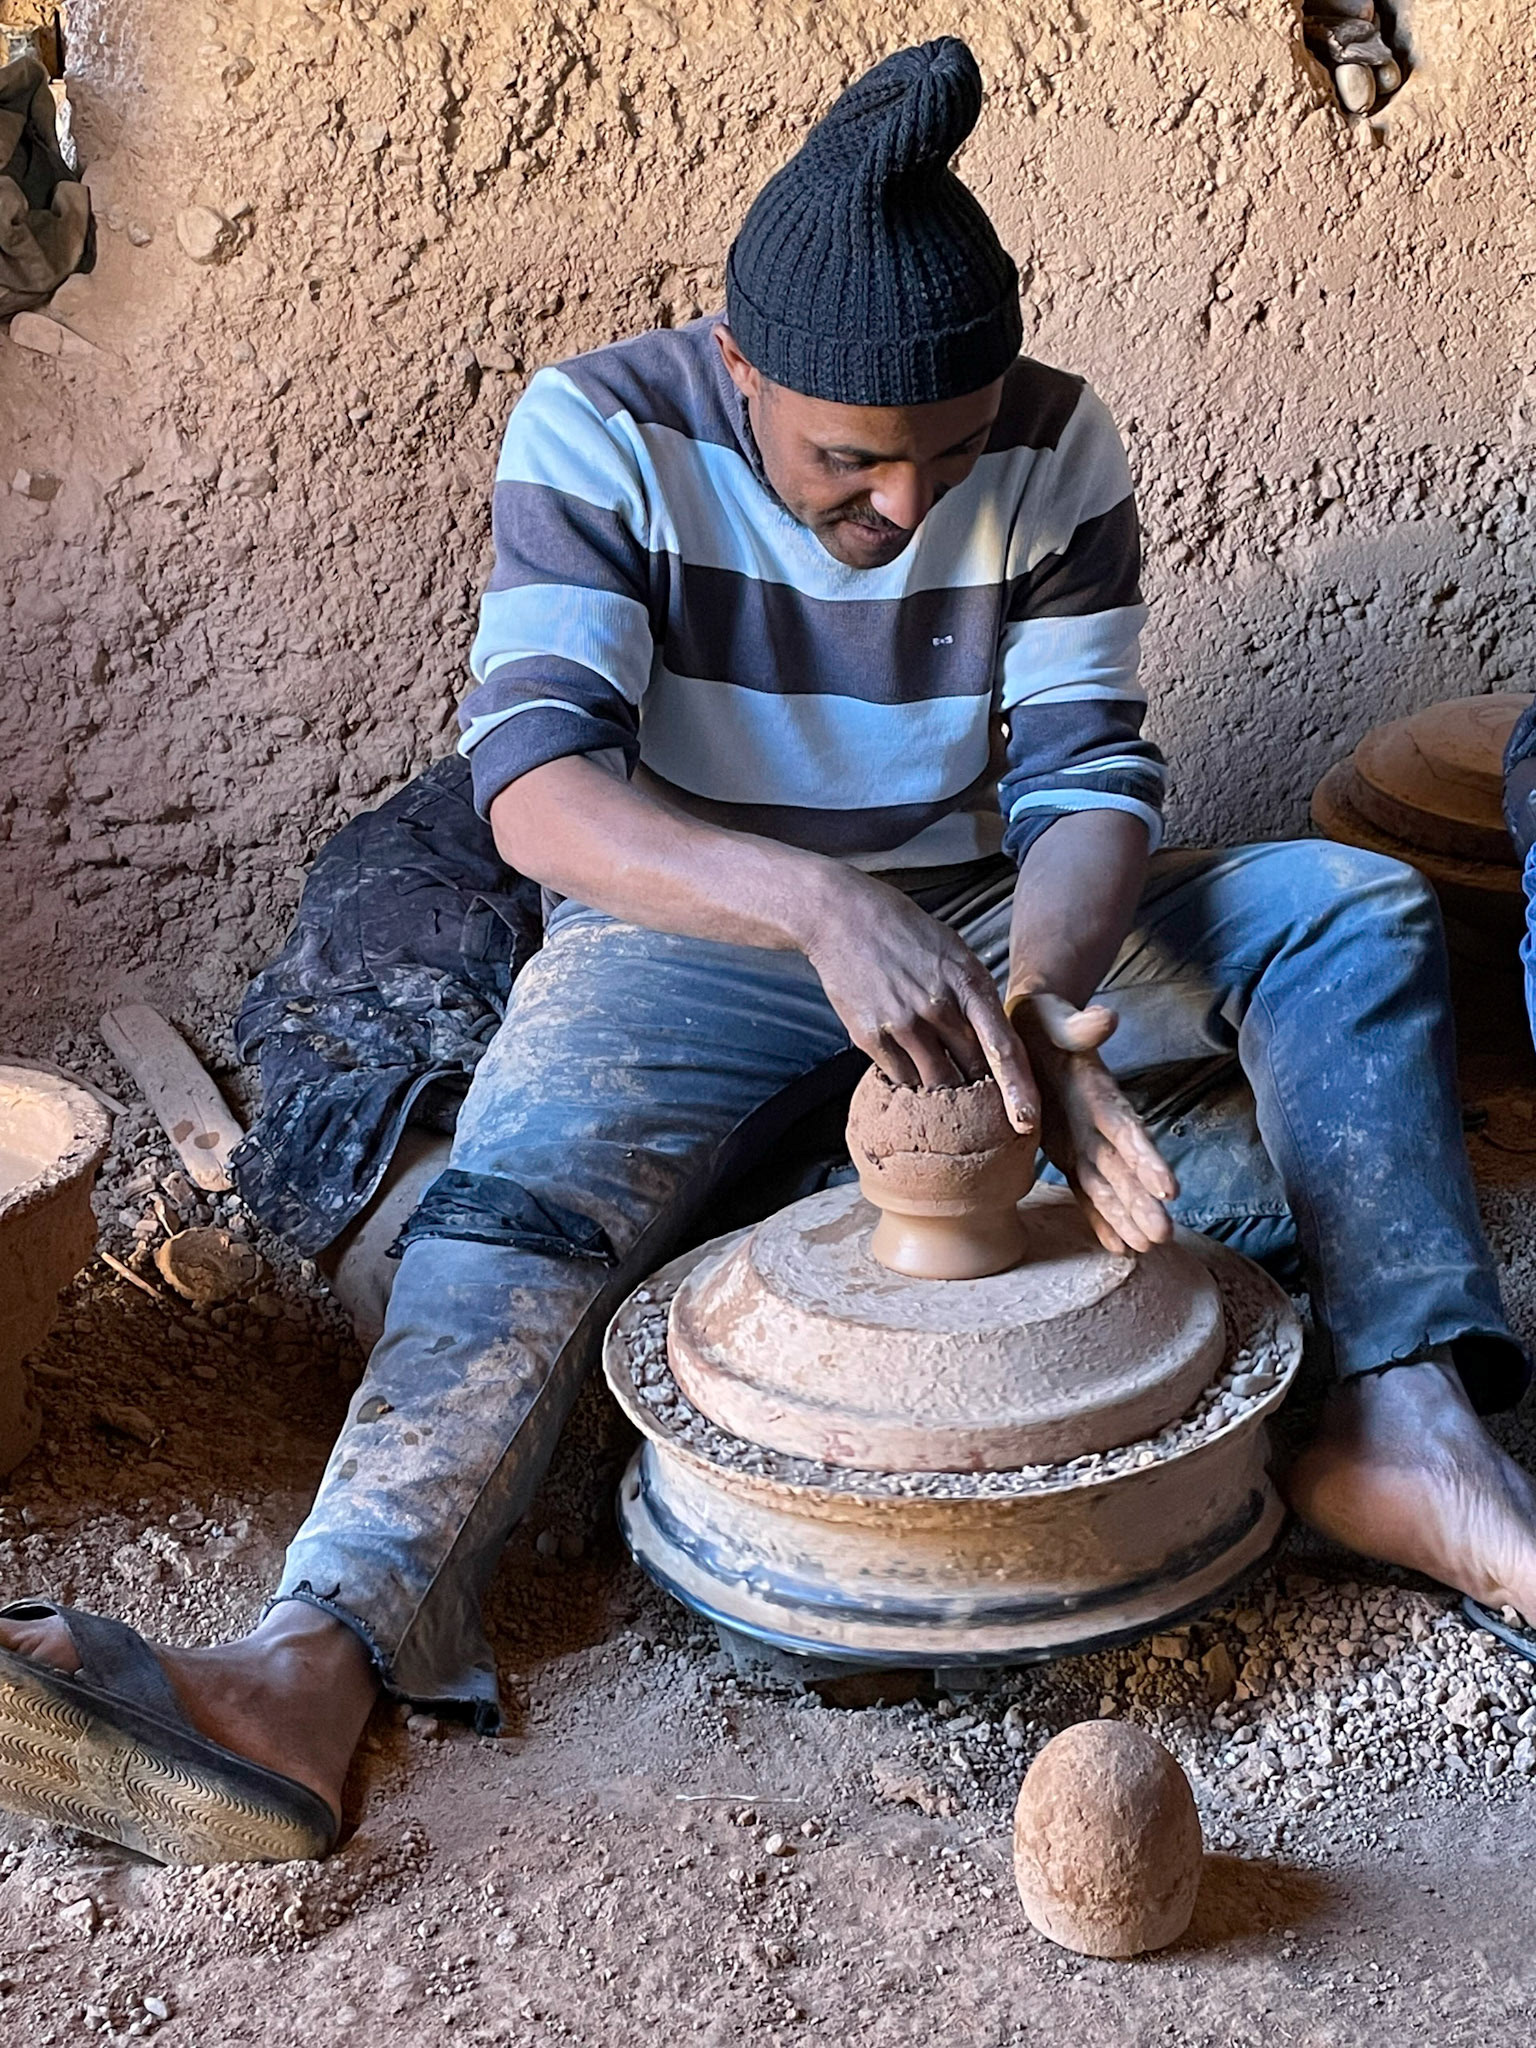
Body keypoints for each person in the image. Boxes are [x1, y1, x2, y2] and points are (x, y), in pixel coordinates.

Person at [2, 38, 1533, 1866]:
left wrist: (1035, 1002)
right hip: (690, 923)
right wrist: (817, 902)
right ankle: (313, 1657)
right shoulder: (602, 426)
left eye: (947, 457)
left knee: (1347, 914)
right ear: (742, 375)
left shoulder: (1054, 438)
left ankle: (1407, 1429)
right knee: (514, 1201)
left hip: (981, 912)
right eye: (854, 461)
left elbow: (1091, 778)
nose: (907, 509)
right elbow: (539, 790)